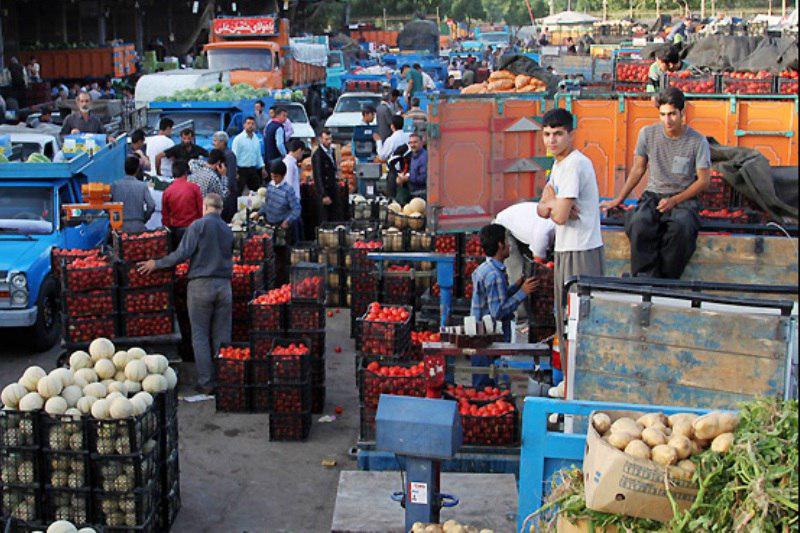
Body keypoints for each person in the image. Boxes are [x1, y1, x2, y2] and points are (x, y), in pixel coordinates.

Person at [601, 88, 710, 279]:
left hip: (683, 199)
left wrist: (675, 200)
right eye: (663, 115)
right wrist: (618, 199)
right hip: (653, 196)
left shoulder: (697, 141)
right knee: (639, 222)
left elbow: (703, 181)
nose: (667, 120)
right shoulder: (647, 134)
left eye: (672, 114)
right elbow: (638, 169)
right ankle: (644, 277)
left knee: (681, 228)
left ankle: (667, 280)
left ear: (682, 113)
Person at [138, 193, 233, 394]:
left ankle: (207, 383)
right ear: (221, 209)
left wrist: (157, 263)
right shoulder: (227, 229)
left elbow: (182, 254)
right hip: (224, 287)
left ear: (205, 206)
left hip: (200, 286)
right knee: (222, 336)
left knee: (200, 335)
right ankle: (225, 380)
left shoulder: (198, 226)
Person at [536, 108, 604, 350]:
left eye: (558, 134)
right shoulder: (558, 166)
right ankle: (567, 379)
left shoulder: (575, 165)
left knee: (579, 321)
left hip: (581, 250)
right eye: (546, 134)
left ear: (571, 134)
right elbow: (542, 210)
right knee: (564, 318)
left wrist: (554, 204)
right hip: (565, 249)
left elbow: (560, 216)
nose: (551, 140)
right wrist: (554, 203)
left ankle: (576, 380)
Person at [470, 223, 538, 387]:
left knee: (486, 379)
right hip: (487, 337)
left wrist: (516, 286)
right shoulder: (495, 275)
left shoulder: (485, 268)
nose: (509, 245)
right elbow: (497, 312)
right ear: (500, 245)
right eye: (507, 241)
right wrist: (522, 292)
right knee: (485, 384)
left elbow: (495, 298)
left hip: (479, 334)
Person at [160, 160, 203, 250]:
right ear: (186, 173)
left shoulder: (167, 191)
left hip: (176, 231)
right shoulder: (194, 188)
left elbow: (165, 216)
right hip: (193, 229)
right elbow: (201, 211)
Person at [111, 156, 156, 233]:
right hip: (138, 226)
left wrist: (113, 217)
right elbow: (151, 205)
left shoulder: (115, 185)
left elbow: (106, 205)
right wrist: (144, 218)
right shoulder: (142, 186)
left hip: (119, 227)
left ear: (124, 169)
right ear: (137, 169)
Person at [255, 160, 301, 235]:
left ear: (283, 175)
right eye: (272, 176)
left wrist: (287, 221)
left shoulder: (288, 190)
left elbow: (296, 209)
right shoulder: (270, 185)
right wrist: (259, 213)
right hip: (269, 225)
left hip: (281, 227)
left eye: (276, 177)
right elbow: (267, 204)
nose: (274, 179)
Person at [232, 116, 265, 194]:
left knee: (256, 192)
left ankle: (254, 206)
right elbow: (234, 156)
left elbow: (258, 155)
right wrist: (235, 172)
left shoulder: (256, 138)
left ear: (255, 126)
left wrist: (262, 168)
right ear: (244, 125)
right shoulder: (238, 139)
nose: (250, 125)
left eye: (252, 124)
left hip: (252, 169)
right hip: (241, 170)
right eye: (248, 123)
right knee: (238, 192)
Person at [312, 129, 339, 223]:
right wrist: (323, 194)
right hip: (325, 190)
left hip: (332, 188)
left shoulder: (331, 151)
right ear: (321, 139)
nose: (329, 141)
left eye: (330, 139)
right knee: (325, 218)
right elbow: (318, 176)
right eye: (326, 139)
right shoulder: (318, 155)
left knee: (334, 216)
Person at [212, 131, 238, 222]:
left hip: (228, 192)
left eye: (215, 141)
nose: (213, 143)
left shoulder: (229, 155)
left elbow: (231, 176)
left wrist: (226, 191)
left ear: (222, 142)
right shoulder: (218, 154)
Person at [395, 133, 427, 204]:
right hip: (413, 193)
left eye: (415, 142)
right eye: (410, 143)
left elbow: (423, 178)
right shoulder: (413, 155)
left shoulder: (424, 157)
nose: (412, 145)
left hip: (422, 195)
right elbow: (412, 172)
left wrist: (407, 178)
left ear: (421, 142)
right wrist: (402, 176)